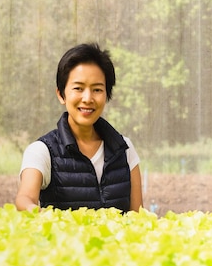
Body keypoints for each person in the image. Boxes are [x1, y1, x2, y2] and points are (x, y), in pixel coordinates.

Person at [15, 42, 143, 212]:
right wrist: (41, 215)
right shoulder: (42, 151)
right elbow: (24, 199)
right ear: (61, 94)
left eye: (97, 90)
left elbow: (138, 216)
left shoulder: (124, 149)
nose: (88, 98)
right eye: (78, 88)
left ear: (107, 95)